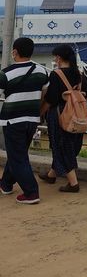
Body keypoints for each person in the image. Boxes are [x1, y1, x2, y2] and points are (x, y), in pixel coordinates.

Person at [0, 37, 49, 205]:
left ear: (15, 52)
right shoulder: (41, 71)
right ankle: (6, 184)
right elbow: (44, 94)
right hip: (32, 119)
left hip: (12, 120)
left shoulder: (6, 73)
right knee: (18, 154)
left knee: (18, 157)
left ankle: (31, 192)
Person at [40, 44, 87, 193]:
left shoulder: (56, 74)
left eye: (55, 57)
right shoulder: (79, 74)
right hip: (77, 115)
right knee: (70, 144)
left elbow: (51, 99)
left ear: (59, 58)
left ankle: (73, 183)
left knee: (60, 145)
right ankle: (52, 175)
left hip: (59, 114)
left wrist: (40, 112)